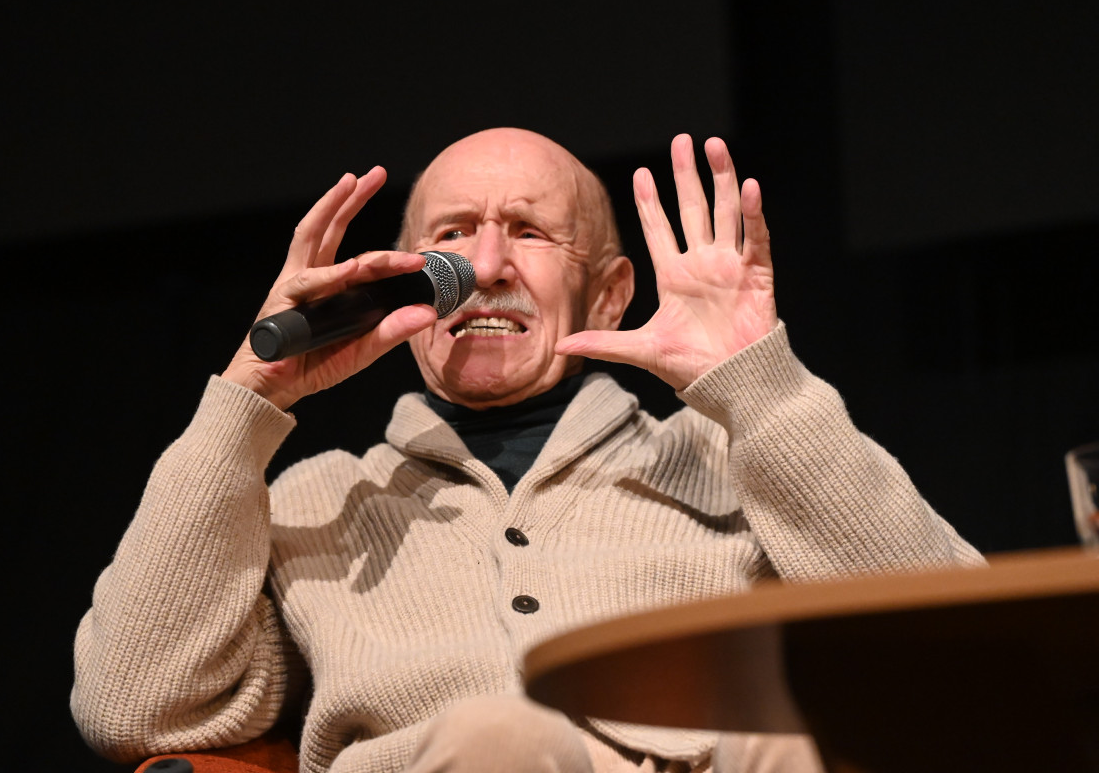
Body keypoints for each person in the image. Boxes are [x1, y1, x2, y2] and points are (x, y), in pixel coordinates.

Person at [71, 128, 981, 773]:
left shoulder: (730, 456)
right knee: (496, 738)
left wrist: (761, 388)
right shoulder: (318, 503)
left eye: (530, 232)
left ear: (610, 294)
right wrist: (248, 400)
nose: (486, 266)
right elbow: (131, 707)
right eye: (451, 236)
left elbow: (959, 651)